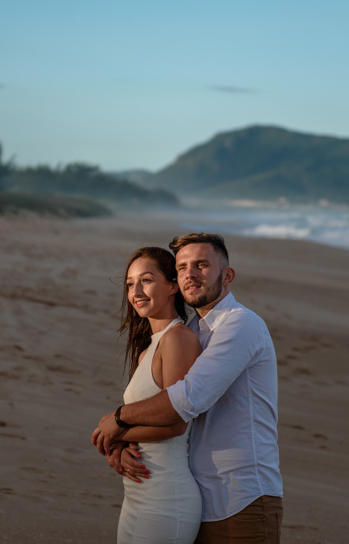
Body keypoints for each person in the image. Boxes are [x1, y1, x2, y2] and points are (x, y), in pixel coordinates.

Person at [94, 233, 283, 543]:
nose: (190, 274)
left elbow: (185, 401)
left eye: (202, 265)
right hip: (200, 494)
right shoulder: (192, 331)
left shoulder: (241, 325)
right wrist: (124, 445)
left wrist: (117, 422)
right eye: (182, 267)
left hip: (242, 496)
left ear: (228, 275)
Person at [109, 246, 203, 543]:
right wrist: (119, 448)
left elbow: (177, 422)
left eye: (146, 280)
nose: (136, 291)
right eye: (129, 284)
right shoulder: (149, 349)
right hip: (137, 494)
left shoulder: (179, 340)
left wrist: (117, 433)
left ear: (173, 285)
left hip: (165, 497)